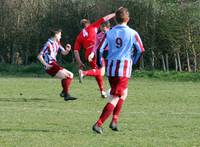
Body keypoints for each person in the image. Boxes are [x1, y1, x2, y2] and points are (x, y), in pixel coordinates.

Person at [92, 7, 145, 134]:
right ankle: (98, 124)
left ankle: (114, 120)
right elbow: (140, 50)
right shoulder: (133, 33)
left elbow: (99, 50)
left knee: (124, 93)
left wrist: (99, 63)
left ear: (115, 19)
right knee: (115, 97)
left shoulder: (109, 32)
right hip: (123, 69)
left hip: (111, 69)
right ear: (128, 19)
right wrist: (133, 61)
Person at [73, 13, 115, 98]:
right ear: (88, 23)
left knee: (96, 71)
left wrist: (80, 62)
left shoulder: (79, 36)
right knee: (102, 72)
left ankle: (102, 91)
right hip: (96, 51)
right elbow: (105, 18)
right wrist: (115, 13)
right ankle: (84, 73)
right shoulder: (93, 26)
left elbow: (76, 51)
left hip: (88, 53)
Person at [37, 28, 75, 101]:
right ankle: (66, 94)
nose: (61, 36)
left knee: (71, 75)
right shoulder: (48, 44)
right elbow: (39, 56)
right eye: (60, 35)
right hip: (50, 65)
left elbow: (63, 53)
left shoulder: (57, 43)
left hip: (54, 64)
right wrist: (46, 65)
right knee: (66, 76)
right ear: (56, 35)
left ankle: (64, 92)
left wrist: (67, 50)